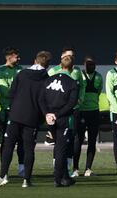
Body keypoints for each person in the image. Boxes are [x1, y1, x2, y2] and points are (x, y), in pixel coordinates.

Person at [0, 51, 51, 187]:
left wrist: (15, 107)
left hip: (15, 115)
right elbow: (44, 99)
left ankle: (3, 176)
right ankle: (26, 180)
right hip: (32, 118)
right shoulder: (46, 78)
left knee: (8, 146)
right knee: (28, 149)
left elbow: (11, 94)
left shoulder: (22, 74)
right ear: (47, 64)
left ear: (35, 60)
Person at [47, 47, 85, 174]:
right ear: (62, 57)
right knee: (58, 140)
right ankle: (56, 168)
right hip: (57, 112)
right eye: (68, 56)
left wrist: (80, 98)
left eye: (73, 56)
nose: (71, 58)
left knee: (71, 139)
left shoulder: (77, 71)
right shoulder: (53, 71)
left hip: (73, 110)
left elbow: (82, 85)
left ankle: (68, 169)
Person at [41, 55, 78, 187]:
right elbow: (71, 103)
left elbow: (41, 99)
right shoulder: (72, 83)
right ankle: (58, 179)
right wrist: (57, 114)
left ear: (60, 65)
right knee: (61, 149)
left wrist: (47, 114)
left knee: (58, 146)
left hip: (49, 119)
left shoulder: (48, 80)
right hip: (62, 119)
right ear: (72, 67)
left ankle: (66, 176)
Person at [0, 47, 24, 176]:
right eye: (16, 56)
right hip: (7, 111)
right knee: (7, 141)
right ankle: (4, 169)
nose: (19, 59)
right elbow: (4, 91)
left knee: (22, 140)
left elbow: (25, 87)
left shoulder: (21, 69)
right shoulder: (0, 71)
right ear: (9, 57)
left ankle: (22, 168)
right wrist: (19, 94)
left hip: (20, 110)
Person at [72, 56, 103, 177]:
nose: (91, 66)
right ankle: (75, 168)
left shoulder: (99, 77)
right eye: (89, 64)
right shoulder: (80, 75)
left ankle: (88, 169)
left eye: (93, 64)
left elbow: (99, 91)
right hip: (81, 112)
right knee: (78, 141)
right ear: (84, 65)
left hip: (94, 112)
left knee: (92, 142)